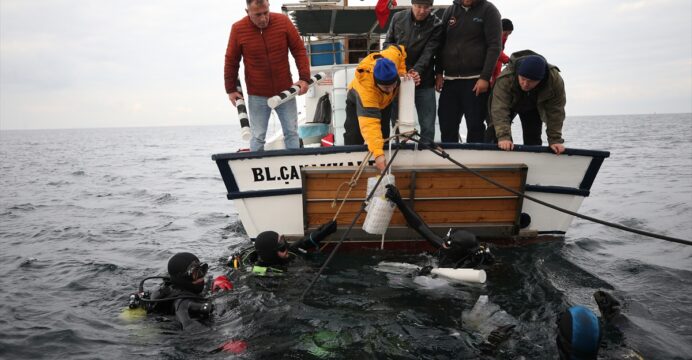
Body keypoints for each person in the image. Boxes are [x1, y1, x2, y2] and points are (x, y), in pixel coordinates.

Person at [224, 0, 310, 151]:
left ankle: (295, 169)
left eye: (266, 12)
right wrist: (230, 89)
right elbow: (231, 60)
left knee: (291, 133)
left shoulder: (283, 22)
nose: (263, 18)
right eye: (258, 15)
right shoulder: (238, 29)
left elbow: (299, 50)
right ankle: (255, 169)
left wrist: (304, 78)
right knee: (257, 136)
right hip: (257, 94)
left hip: (285, 92)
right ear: (247, 12)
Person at [435, 0, 502, 143]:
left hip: (476, 80)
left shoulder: (489, 10)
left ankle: (475, 161)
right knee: (446, 124)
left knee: (475, 126)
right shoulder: (450, 11)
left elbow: (495, 46)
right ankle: (448, 161)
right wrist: (439, 72)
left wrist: (485, 77)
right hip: (450, 80)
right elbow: (440, 43)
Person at [384, 184, 494, 268]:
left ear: (458, 250)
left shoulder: (471, 266)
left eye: (449, 242)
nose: (445, 241)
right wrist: (399, 201)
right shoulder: (449, 248)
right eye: (448, 237)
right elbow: (419, 226)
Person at [343, 45, 413, 173]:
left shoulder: (392, 57)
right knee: (354, 136)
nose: (391, 90)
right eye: (386, 88)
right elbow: (370, 125)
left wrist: (402, 71)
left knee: (384, 133)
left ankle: (383, 161)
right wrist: (378, 156)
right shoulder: (367, 89)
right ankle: (351, 170)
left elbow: (400, 49)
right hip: (357, 101)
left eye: (394, 85)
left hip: (384, 103)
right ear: (376, 82)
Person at [383, 0, 443, 142]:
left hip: (424, 81)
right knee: (397, 122)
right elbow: (387, 45)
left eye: (426, 7)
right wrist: (400, 70)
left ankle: (426, 153)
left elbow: (430, 51)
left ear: (431, 7)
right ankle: (399, 150)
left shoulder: (437, 25)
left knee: (428, 124)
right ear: (412, 4)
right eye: (418, 6)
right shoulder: (397, 18)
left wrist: (416, 71)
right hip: (398, 81)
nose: (422, 10)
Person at [487, 50, 567, 154]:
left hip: (533, 105)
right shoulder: (506, 78)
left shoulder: (554, 80)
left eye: (531, 81)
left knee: (533, 138)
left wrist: (555, 140)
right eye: (523, 79)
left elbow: (556, 111)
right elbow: (499, 108)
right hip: (509, 103)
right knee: (493, 132)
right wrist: (503, 137)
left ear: (540, 79)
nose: (525, 84)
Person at [135, 252, 233, 330]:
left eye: (203, 269)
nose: (202, 276)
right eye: (196, 273)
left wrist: (215, 286)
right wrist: (224, 344)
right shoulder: (182, 302)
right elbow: (190, 327)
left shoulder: (178, 287)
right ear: (182, 278)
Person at [240, 220, 338, 273]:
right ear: (272, 253)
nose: (285, 248)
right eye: (281, 246)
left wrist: (322, 233)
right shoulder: (261, 273)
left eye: (284, 242)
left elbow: (302, 243)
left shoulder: (284, 253)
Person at [490, 18, 513, 86]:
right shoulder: (490, 39)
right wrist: (509, 60)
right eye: (505, 34)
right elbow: (495, 51)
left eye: (509, 35)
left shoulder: (501, 43)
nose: (506, 37)